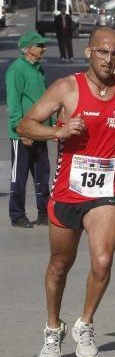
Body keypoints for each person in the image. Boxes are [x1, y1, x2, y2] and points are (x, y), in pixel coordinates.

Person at [17, 27, 115, 357]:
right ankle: (52, 328)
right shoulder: (67, 88)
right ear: (89, 51)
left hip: (107, 191)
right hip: (67, 192)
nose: (108, 59)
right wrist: (57, 130)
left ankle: (85, 324)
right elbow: (26, 124)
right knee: (60, 266)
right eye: (102, 52)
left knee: (102, 262)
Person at [6, 31, 51, 228]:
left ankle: (44, 212)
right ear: (29, 49)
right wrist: (21, 130)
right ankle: (17, 215)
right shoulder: (16, 70)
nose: (44, 48)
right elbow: (14, 103)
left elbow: (46, 101)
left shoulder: (38, 69)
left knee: (42, 176)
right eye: (40, 45)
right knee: (20, 178)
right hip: (23, 134)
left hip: (39, 131)